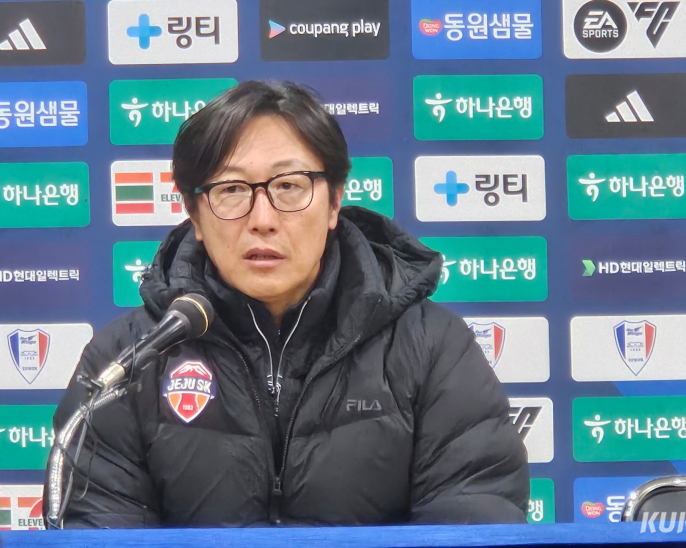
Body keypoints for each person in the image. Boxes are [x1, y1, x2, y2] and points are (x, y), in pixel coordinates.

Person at [48, 81, 529, 528]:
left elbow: (473, 517)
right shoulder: (126, 361)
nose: (263, 219)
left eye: (289, 186)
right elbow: (100, 531)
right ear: (194, 213)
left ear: (334, 201)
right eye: (231, 190)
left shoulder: (431, 349)